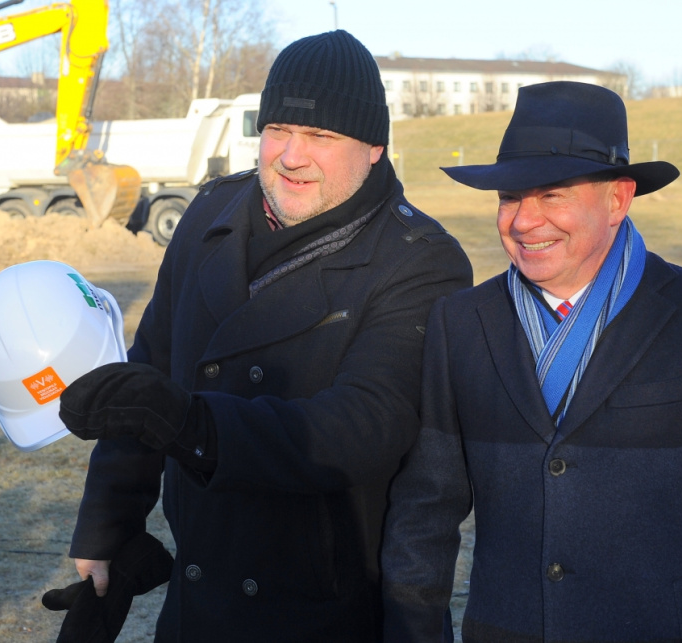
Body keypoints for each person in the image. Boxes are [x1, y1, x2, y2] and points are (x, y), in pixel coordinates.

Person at [55, 29, 472, 641]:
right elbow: (150, 371)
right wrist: (107, 527)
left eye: (321, 136)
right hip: (197, 599)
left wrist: (193, 425)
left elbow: (362, 427)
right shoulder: (209, 215)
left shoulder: (419, 259)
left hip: (316, 606)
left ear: (374, 146)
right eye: (278, 129)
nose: (292, 155)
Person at [381, 81, 682, 642]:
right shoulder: (461, 323)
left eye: (552, 195)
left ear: (617, 199)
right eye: (509, 197)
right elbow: (424, 513)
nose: (523, 221)